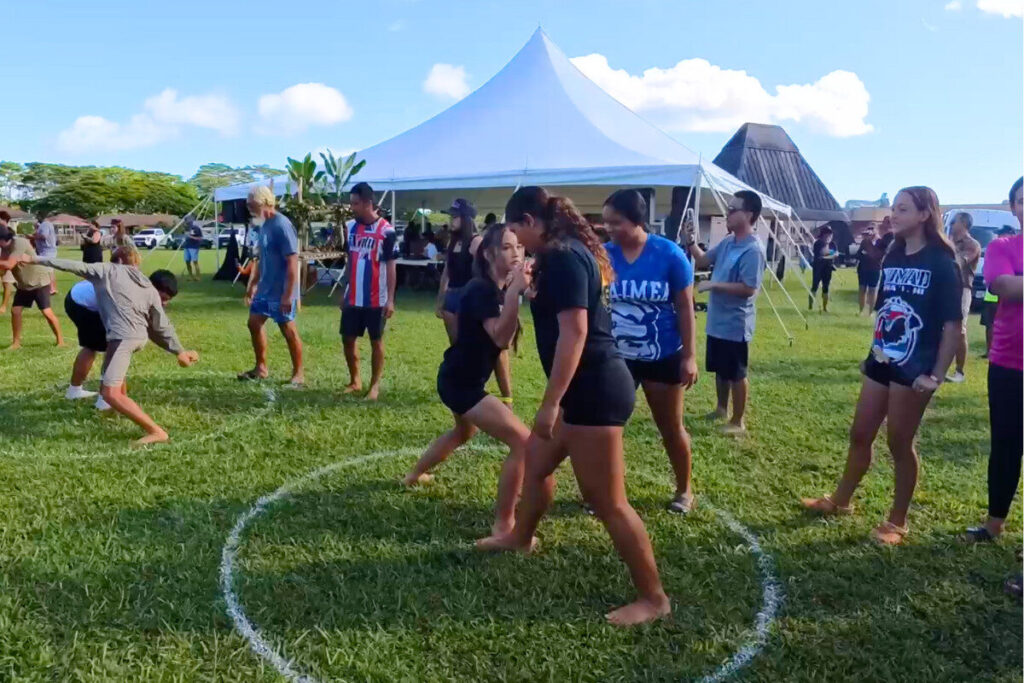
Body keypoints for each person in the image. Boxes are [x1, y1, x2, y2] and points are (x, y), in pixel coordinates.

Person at [478, 187, 671, 628]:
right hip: (584, 390)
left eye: (515, 232)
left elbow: (576, 333)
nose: (515, 243)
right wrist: (524, 291)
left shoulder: (564, 256)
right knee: (537, 462)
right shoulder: (557, 254)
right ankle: (521, 539)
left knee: (607, 502)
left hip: (593, 391)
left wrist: (550, 404)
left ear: (529, 221)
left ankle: (654, 598)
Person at [801, 186, 961, 545]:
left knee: (900, 443)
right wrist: (872, 352)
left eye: (903, 209)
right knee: (860, 433)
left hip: (915, 366)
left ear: (924, 215)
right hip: (882, 359)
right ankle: (841, 501)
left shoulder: (942, 262)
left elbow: (953, 327)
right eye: (894, 207)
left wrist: (935, 374)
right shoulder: (895, 254)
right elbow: (886, 310)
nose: (894, 214)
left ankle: (897, 521)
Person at [403, 224, 532, 535]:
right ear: (488, 254)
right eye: (506, 247)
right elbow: (501, 338)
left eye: (519, 246)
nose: (516, 252)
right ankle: (504, 524)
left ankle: (413, 476)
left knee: (463, 433)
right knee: (524, 443)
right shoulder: (481, 290)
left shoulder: (496, 289)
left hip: (458, 378)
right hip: (462, 384)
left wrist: (518, 291)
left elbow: (500, 342)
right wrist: (516, 291)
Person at [25, 245, 199, 446]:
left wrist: (32, 259)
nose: (135, 265)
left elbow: (71, 265)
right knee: (111, 373)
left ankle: (156, 431)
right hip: (105, 320)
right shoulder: (142, 285)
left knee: (110, 391)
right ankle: (112, 404)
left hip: (123, 337)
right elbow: (160, 326)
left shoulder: (117, 275)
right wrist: (179, 351)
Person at [603, 189, 699, 513]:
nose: (609, 229)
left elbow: (686, 308)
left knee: (670, 428)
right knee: (608, 427)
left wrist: (689, 356)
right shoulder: (604, 255)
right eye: (606, 223)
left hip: (663, 355)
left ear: (637, 220)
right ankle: (607, 493)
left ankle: (685, 490)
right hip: (618, 359)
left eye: (616, 222)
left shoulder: (669, 254)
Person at [964, 177, 1023, 548]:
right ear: (1013, 206)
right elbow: (1004, 286)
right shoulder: (1002, 245)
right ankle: (994, 523)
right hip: (1009, 362)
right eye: (1022, 200)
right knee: (1005, 444)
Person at [684, 190, 766, 436]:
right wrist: (690, 242)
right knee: (721, 369)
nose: (727, 213)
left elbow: (749, 288)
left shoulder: (753, 250)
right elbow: (702, 260)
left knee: (736, 372)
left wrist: (714, 285)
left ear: (749, 215)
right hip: (718, 320)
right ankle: (721, 408)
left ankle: (738, 421)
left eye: (733, 209)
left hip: (735, 323)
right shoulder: (729, 242)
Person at [436, 198, 514, 407]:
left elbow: (489, 269)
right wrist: (441, 298)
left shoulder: (476, 242)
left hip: (471, 298)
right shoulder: (453, 241)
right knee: (461, 347)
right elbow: (447, 271)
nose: (451, 219)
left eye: (455, 216)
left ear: (466, 218)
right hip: (452, 298)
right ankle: (466, 386)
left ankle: (506, 395)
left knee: (494, 349)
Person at [238, 186, 304, 386]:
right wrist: (253, 284)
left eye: (252, 204)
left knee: (288, 330)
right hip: (265, 289)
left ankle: (299, 374)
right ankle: (261, 368)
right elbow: (261, 258)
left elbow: (293, 262)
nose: (249, 207)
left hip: (281, 290)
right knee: (254, 323)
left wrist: (288, 294)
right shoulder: (263, 225)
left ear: (264, 202)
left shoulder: (282, 225)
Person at [341, 182, 397, 400]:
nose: (352, 208)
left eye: (355, 204)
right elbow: (349, 259)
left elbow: (391, 266)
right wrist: (344, 289)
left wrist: (390, 299)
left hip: (377, 298)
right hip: (353, 296)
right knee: (347, 338)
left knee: (376, 341)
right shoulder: (351, 227)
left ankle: (374, 386)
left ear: (367, 203)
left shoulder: (387, 231)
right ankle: (355, 381)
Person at [63, 248, 136, 411]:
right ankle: (105, 400)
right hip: (83, 305)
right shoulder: (116, 281)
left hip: (77, 298)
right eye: (134, 263)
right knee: (113, 349)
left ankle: (76, 391)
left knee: (100, 347)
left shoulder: (119, 273)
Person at [0, 226, 65, 349]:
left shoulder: (19, 243)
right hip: (24, 284)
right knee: (15, 311)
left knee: (47, 312)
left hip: (39, 282)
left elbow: (9, 264)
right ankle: (16, 343)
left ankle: (61, 341)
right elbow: (3, 270)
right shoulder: (4, 249)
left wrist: (3, 265)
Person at [946, 212, 982, 382]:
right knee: (941, 328)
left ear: (964, 224)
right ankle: (938, 367)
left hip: (961, 290)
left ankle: (959, 372)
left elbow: (957, 263)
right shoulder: (947, 242)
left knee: (959, 330)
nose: (951, 224)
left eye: (954, 221)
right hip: (944, 288)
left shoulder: (972, 244)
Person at [856, 217, 893, 315]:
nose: (870, 231)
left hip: (875, 268)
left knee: (872, 290)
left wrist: (868, 252)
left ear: (876, 230)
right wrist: (866, 251)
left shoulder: (881, 242)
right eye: (869, 228)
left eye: (872, 229)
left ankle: (870, 312)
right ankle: (861, 310)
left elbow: (878, 255)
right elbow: (859, 254)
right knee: (862, 289)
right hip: (863, 268)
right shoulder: (865, 242)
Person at [809, 225, 837, 312]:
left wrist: (830, 254)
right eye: (827, 234)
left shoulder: (833, 244)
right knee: (815, 286)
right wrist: (831, 254)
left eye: (830, 234)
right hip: (818, 267)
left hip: (828, 268)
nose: (829, 236)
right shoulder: (818, 243)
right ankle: (810, 305)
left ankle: (825, 307)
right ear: (823, 234)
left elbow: (835, 254)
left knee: (826, 287)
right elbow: (822, 254)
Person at [30, 215, 58, 295]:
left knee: (48, 270)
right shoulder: (45, 224)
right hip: (46, 250)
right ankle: (52, 288)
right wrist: (36, 229)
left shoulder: (45, 224)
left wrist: (32, 237)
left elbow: (44, 236)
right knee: (49, 270)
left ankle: (52, 289)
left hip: (47, 251)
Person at [0, 211, 15, 315]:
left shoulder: (8, 231)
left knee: (6, 282)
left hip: (7, 260)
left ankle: (4, 306)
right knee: (8, 282)